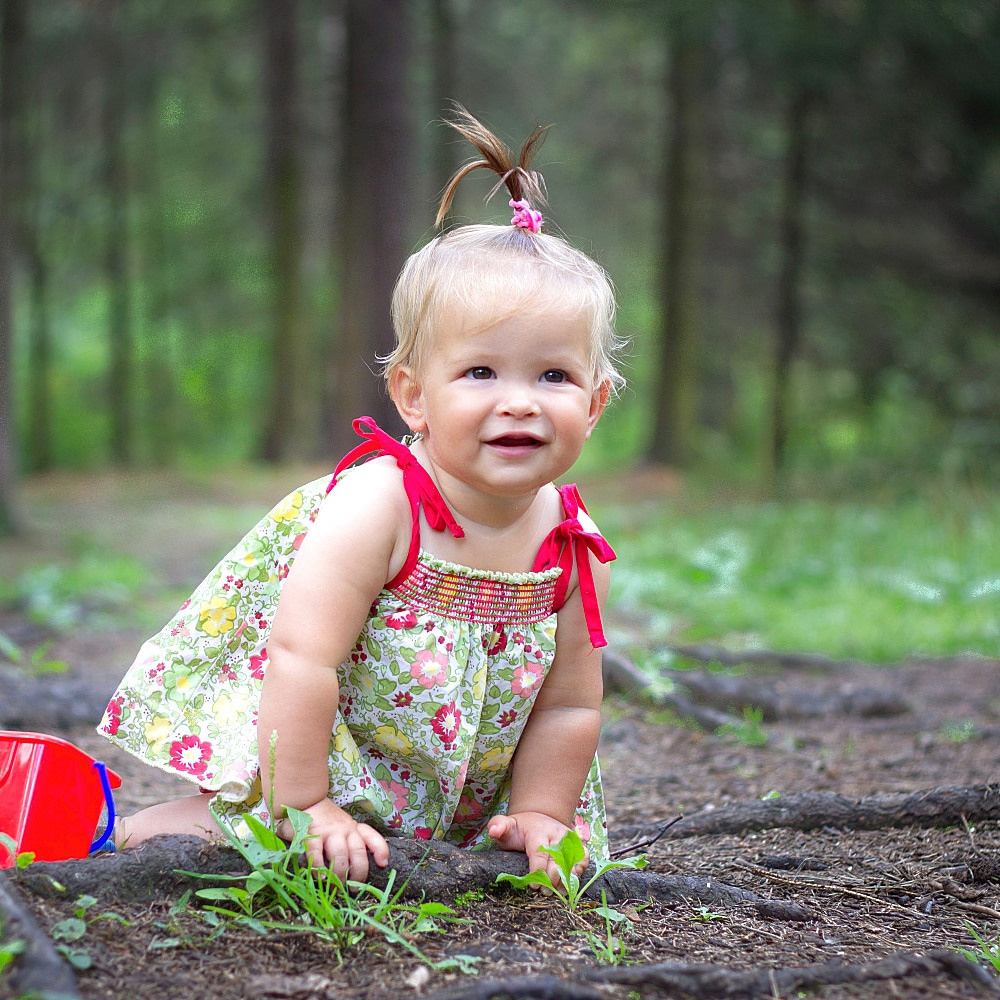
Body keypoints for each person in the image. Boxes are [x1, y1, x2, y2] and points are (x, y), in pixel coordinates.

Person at [98, 108, 625, 888]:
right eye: (481, 373)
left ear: (596, 402)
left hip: (451, 798)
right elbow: (303, 658)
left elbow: (569, 707)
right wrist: (305, 803)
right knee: (243, 839)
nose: (520, 402)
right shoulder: (383, 506)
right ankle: (149, 826)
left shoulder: (572, 545)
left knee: (522, 847)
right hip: (317, 753)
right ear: (413, 395)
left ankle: (462, 829)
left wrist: (545, 812)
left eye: (554, 376)